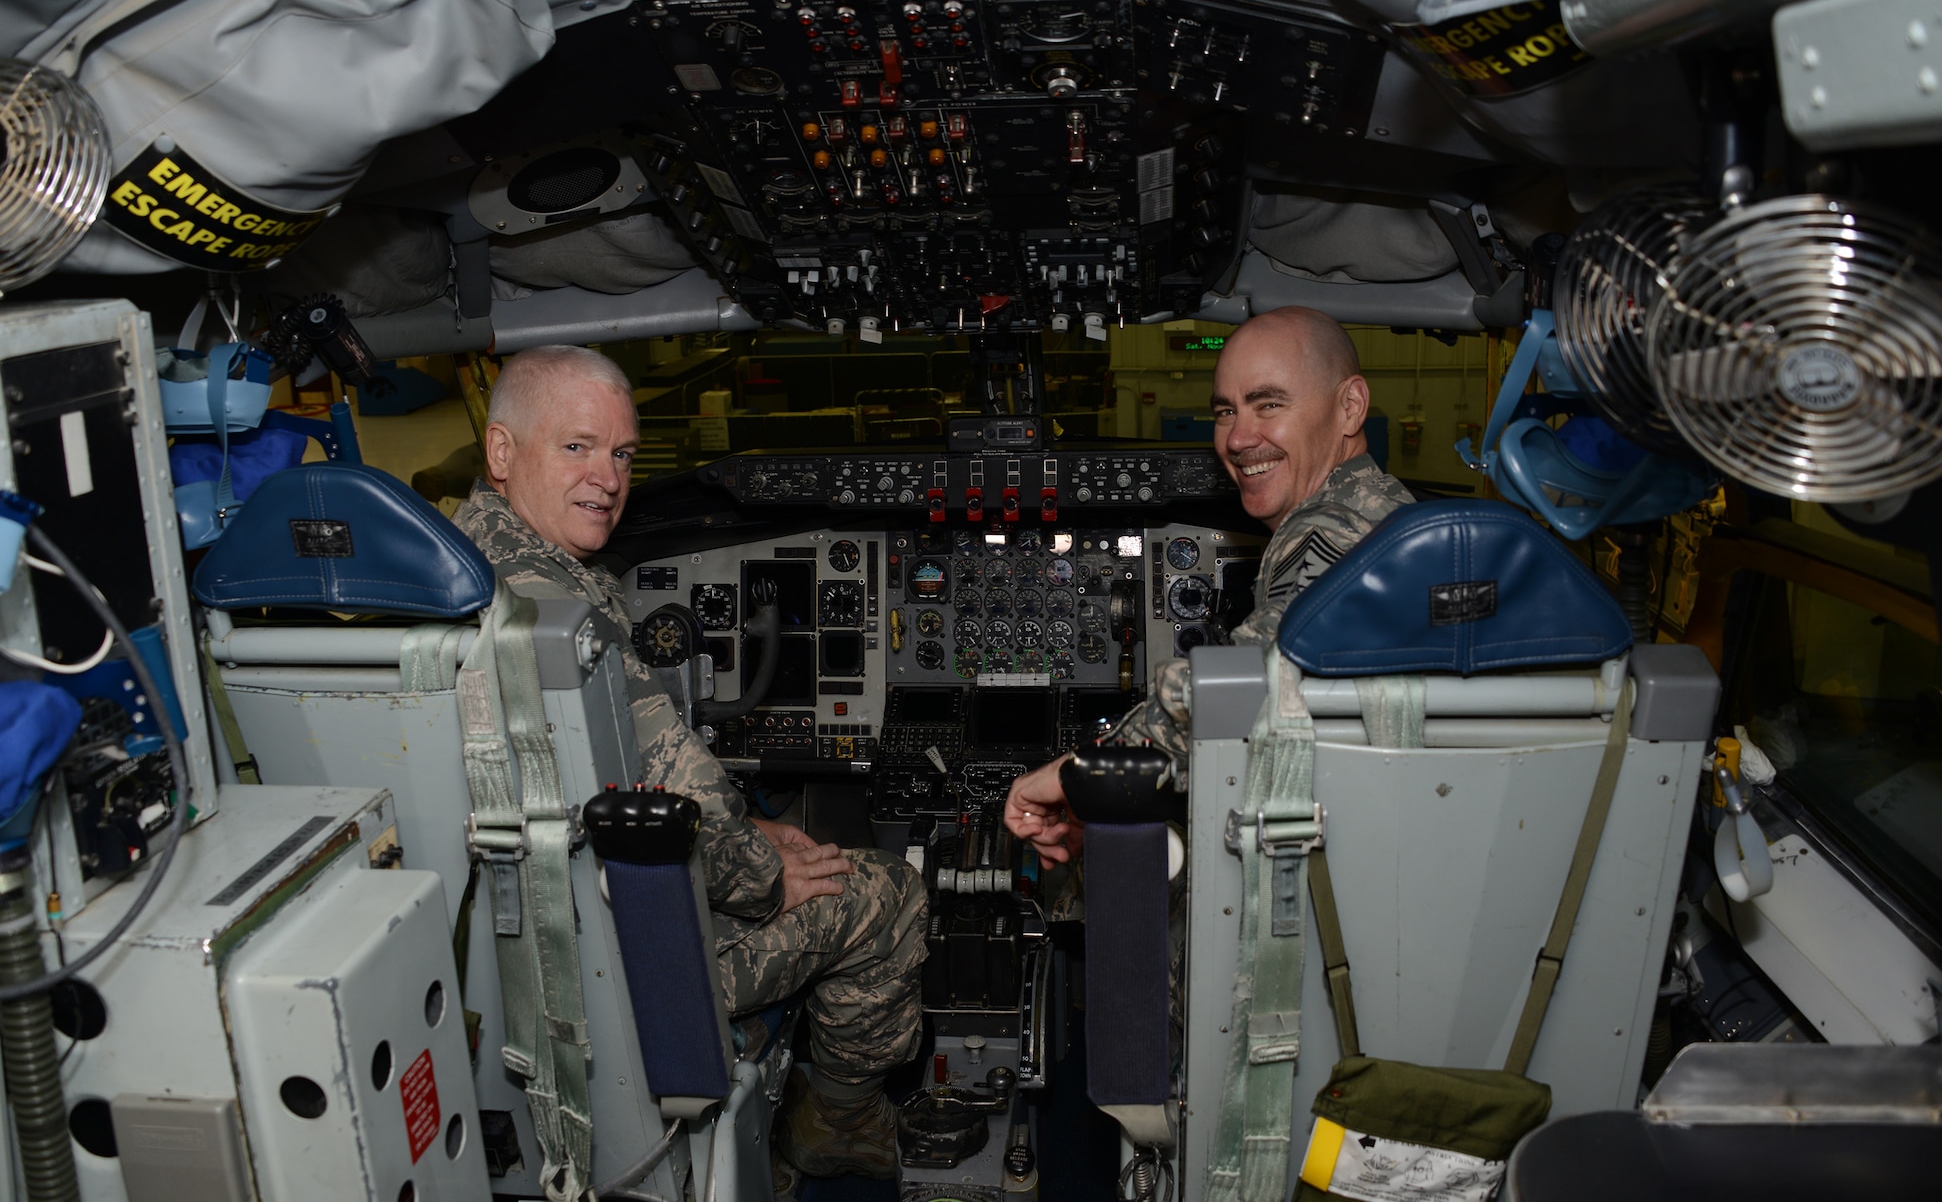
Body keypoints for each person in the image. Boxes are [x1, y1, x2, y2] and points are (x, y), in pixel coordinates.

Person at [453, 344, 924, 1180]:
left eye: (623, 453)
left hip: (499, 949)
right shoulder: (552, 603)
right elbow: (692, 802)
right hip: (618, 952)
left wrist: (753, 829)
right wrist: (767, 872)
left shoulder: (459, 566)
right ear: (500, 451)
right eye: (576, 446)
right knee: (886, 893)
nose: (608, 476)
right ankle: (838, 1121)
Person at [1004, 306, 1414, 865]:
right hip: (1372, 820)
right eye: (1226, 411)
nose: (1240, 438)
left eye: (1269, 403)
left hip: (1351, 848)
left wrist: (1090, 770)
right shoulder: (1382, 514)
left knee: (1120, 874)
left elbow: (1254, 678)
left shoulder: (1336, 530)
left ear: (1350, 407)